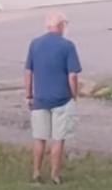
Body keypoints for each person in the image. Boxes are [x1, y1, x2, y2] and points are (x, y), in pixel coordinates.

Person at [25, 11, 82, 185]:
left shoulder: (35, 44)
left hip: (40, 98)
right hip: (61, 99)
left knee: (39, 137)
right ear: (61, 25)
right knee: (58, 139)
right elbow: (72, 75)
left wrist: (29, 94)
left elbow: (28, 72)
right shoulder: (68, 46)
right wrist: (74, 94)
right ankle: (55, 175)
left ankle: (36, 173)